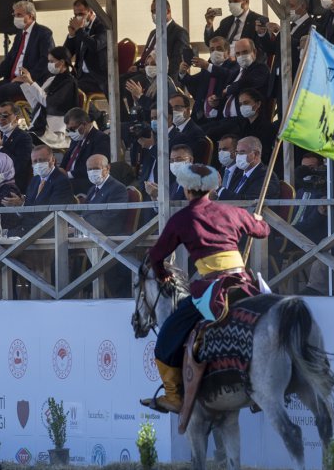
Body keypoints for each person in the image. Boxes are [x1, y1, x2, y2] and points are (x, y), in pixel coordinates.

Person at [140, 163, 270, 413]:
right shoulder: (233, 212)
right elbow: (263, 231)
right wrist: (257, 221)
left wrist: (163, 274)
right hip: (245, 283)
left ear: (187, 190)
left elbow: (155, 256)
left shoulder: (181, 219)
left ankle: (173, 396)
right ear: (211, 189)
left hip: (211, 289)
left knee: (167, 334)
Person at [0, 1, 55, 130]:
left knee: (4, 90)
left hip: (31, 82)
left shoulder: (44, 33)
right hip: (13, 80)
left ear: (31, 16)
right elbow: (9, 60)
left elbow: (45, 61)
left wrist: (27, 78)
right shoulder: (20, 35)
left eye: (19, 14)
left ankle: (8, 129)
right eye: (15, 14)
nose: (16, 18)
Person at [18, 46, 79, 149]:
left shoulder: (69, 82)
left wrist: (32, 82)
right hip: (42, 126)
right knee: (19, 139)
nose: (49, 64)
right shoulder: (51, 79)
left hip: (56, 132)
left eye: (51, 61)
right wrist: (26, 84)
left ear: (61, 62)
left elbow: (49, 103)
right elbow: (37, 104)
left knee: (24, 142)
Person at [8, 144, 75, 235]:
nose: (38, 164)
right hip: (31, 228)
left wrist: (22, 205)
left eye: (42, 160)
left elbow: (52, 213)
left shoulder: (61, 181)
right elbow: (29, 205)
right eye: (35, 161)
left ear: (53, 160)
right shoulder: (35, 180)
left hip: (50, 231)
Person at [178, 37, 237, 123]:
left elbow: (228, 75)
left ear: (227, 52)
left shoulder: (234, 66)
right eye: (212, 50)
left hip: (220, 118)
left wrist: (207, 66)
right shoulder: (206, 69)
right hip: (199, 116)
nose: (215, 52)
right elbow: (193, 84)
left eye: (219, 49)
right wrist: (182, 73)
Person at [130, 0, 190, 81]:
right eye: (152, 11)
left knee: (126, 84)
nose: (154, 14)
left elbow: (176, 63)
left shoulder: (179, 32)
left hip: (160, 77)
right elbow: (146, 56)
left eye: (156, 10)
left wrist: (145, 70)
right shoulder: (153, 33)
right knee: (117, 79)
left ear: (168, 11)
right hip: (143, 72)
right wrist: (136, 66)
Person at [256, 0, 313, 77]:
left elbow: (299, 47)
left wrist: (281, 32)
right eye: (285, 7)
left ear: (303, 6)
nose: (287, 10)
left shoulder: (312, 26)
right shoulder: (288, 26)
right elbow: (273, 49)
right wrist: (262, 33)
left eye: (291, 6)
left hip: (296, 75)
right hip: (279, 75)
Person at [59, 107, 110, 194]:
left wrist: (68, 174)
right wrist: (60, 170)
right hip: (69, 178)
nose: (70, 133)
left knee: (60, 188)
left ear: (85, 124)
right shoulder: (76, 139)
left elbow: (96, 166)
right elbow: (66, 160)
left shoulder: (100, 138)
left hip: (86, 180)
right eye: (68, 130)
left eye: (73, 129)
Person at [63, 0, 108, 95]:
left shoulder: (103, 26)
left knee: (70, 90)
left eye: (81, 14)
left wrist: (79, 31)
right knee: (56, 85)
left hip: (96, 77)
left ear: (91, 12)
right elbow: (66, 54)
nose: (77, 18)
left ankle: (93, 111)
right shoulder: (80, 30)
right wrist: (71, 36)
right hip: (80, 74)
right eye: (75, 15)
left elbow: (95, 46)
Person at [216, 136, 280, 201]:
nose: (238, 156)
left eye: (242, 152)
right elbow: (231, 195)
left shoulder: (267, 177)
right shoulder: (239, 173)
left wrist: (219, 189)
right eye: (237, 152)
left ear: (256, 154)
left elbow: (247, 202)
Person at [83, 154, 128, 235]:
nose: (92, 172)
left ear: (107, 168)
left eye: (96, 168)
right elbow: (85, 212)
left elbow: (107, 219)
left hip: (106, 236)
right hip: (88, 232)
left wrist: (81, 225)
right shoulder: (92, 189)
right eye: (89, 169)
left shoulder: (118, 189)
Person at [168, 94, 208, 163]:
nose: (173, 111)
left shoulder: (195, 133)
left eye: (177, 108)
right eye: (170, 109)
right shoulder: (172, 129)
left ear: (188, 110)